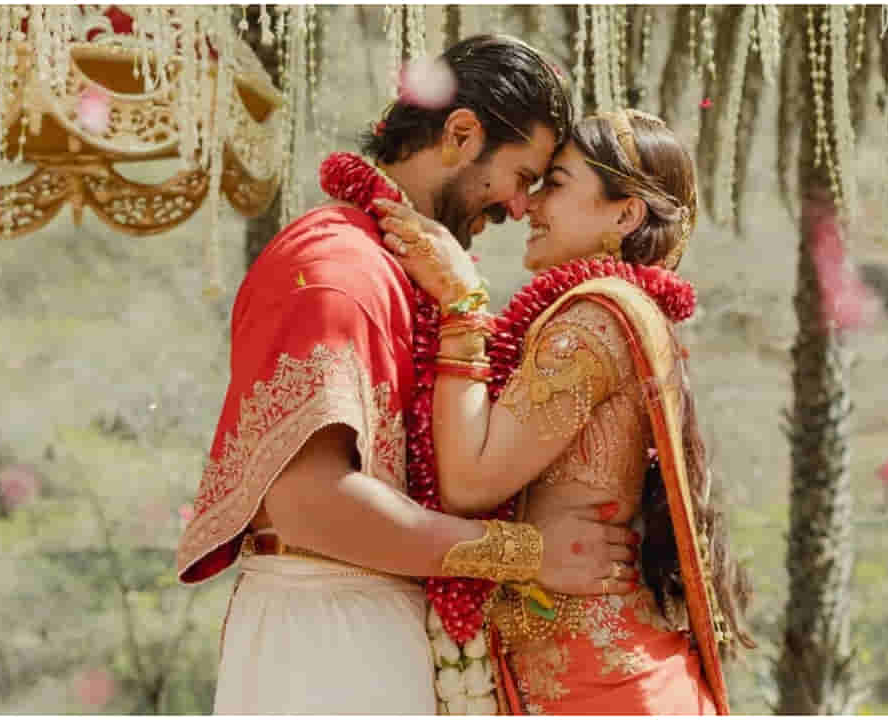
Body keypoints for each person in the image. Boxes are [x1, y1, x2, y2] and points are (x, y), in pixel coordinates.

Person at [173, 35, 639, 715]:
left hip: (365, 624)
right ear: (460, 134)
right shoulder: (335, 265)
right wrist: (528, 554)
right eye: (521, 175)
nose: (518, 207)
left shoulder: (402, 270)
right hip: (325, 637)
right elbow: (310, 503)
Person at [375, 108, 755, 714]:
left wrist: (462, 308)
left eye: (554, 183)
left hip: (593, 681)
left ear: (625, 215)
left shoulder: (590, 323)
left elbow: (470, 483)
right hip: (604, 668)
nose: (528, 205)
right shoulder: (618, 312)